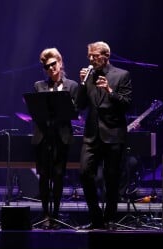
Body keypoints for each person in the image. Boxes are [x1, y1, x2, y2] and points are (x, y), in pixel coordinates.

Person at [76, 41, 132, 230]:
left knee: (112, 178)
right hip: (91, 134)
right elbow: (80, 105)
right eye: (89, 56)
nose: (91, 59)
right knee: (84, 173)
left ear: (106, 55)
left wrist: (110, 91)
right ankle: (96, 217)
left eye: (95, 55)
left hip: (113, 133)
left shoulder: (121, 75)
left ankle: (109, 219)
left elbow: (127, 104)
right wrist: (82, 84)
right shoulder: (89, 76)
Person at [31, 47, 78, 229]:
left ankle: (56, 215)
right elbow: (36, 111)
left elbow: (75, 111)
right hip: (43, 137)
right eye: (46, 66)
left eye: (53, 64)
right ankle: (45, 215)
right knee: (43, 176)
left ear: (60, 63)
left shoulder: (72, 86)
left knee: (58, 176)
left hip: (61, 138)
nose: (50, 69)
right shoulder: (39, 86)